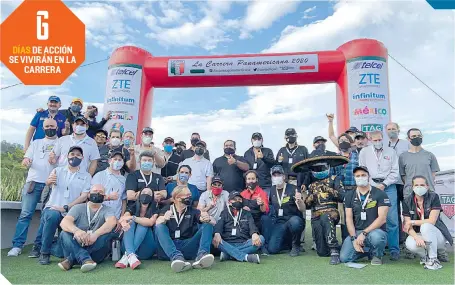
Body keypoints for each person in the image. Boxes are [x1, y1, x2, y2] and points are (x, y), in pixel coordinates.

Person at [30, 146, 91, 264]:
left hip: (71, 211)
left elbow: (84, 196)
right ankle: (44, 253)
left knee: (62, 253)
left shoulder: (86, 176)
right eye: (72, 154)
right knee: (53, 216)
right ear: (67, 156)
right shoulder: (57, 170)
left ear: (82, 158)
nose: (75, 156)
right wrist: (48, 182)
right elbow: (48, 183)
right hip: (53, 207)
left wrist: (67, 207)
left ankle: (52, 245)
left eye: (78, 155)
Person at [8, 119, 59, 257]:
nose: (50, 128)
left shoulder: (61, 143)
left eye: (52, 126)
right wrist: (26, 161)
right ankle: (17, 245)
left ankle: (38, 247)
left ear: (57, 127)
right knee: (25, 214)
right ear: (43, 128)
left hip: (52, 185)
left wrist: (55, 161)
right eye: (47, 126)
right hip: (33, 183)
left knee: (46, 217)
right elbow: (26, 160)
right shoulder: (36, 143)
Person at [293, 151, 347, 264]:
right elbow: (307, 206)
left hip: (331, 212)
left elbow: (343, 196)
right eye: (316, 169)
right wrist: (306, 198)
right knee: (321, 252)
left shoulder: (335, 179)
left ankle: (334, 251)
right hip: (316, 214)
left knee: (325, 217)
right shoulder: (312, 185)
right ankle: (336, 248)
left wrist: (330, 190)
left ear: (327, 167)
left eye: (321, 168)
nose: (319, 171)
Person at [359, 130, 400, 260]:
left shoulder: (391, 152)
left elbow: (395, 172)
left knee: (392, 219)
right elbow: (363, 170)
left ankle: (394, 249)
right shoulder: (364, 152)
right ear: (370, 140)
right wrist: (372, 185)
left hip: (389, 187)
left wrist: (384, 184)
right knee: (371, 216)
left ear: (383, 138)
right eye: (375, 140)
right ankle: (372, 249)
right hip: (370, 186)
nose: (378, 142)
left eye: (379, 139)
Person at [155, 186, 216, 273]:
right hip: (169, 248)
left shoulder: (192, 211)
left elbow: (211, 221)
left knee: (208, 225)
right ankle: (176, 257)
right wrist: (164, 218)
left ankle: (202, 255)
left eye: (190, 195)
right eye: (187, 195)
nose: (190, 198)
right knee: (160, 226)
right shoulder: (166, 209)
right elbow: (157, 223)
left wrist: (207, 218)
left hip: (187, 245)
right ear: (177, 198)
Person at [57, 184, 117, 272]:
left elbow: (111, 222)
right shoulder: (78, 207)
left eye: (101, 192)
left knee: (107, 234)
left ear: (104, 196)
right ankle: (86, 259)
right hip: (77, 243)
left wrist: (96, 234)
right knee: (64, 233)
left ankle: (71, 260)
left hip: (95, 250)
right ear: (89, 194)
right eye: (95, 191)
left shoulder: (108, 209)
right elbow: (64, 222)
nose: (97, 194)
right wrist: (76, 231)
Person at [340, 166, 390, 265]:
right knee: (344, 258)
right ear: (354, 178)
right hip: (357, 232)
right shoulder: (350, 195)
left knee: (377, 237)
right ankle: (367, 252)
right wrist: (354, 239)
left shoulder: (380, 194)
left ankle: (377, 255)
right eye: (357, 176)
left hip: (374, 231)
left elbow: (382, 219)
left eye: (363, 175)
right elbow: (349, 219)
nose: (360, 177)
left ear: (368, 177)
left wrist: (364, 233)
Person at [403, 176, 452, 270]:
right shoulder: (407, 201)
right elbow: (407, 226)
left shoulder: (434, 197)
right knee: (410, 244)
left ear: (427, 186)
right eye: (416, 185)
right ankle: (424, 256)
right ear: (412, 187)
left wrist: (412, 222)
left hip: (437, 235)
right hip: (419, 234)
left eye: (422, 185)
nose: (419, 187)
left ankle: (434, 259)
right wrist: (417, 237)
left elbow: (432, 221)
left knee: (426, 226)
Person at [265, 165, 305, 257]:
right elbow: (270, 206)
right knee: (272, 249)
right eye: (274, 175)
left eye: (278, 174)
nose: (276, 177)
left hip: (293, 219)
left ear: (283, 176)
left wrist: (299, 201)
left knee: (295, 222)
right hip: (280, 222)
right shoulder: (271, 190)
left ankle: (296, 245)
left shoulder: (294, 188)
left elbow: (302, 209)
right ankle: (287, 244)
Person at [212, 191, 264, 263]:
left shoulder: (247, 213)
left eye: (239, 199)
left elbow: (252, 226)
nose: (237, 201)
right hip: (227, 242)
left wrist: (254, 233)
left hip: (243, 242)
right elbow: (219, 225)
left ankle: (229, 255)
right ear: (229, 202)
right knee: (215, 239)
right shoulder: (224, 213)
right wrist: (217, 233)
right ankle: (246, 257)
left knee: (261, 239)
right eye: (235, 199)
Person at [115, 188, 158, 269]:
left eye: (149, 193)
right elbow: (124, 218)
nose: (146, 194)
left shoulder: (155, 208)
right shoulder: (133, 206)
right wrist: (124, 223)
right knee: (130, 222)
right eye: (144, 192)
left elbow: (150, 222)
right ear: (139, 194)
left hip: (146, 250)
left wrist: (133, 218)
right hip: (127, 246)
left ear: (152, 197)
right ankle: (131, 255)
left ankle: (127, 256)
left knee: (143, 224)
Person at [330, 133, 359, 241]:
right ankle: (346, 241)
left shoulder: (357, 156)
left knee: (357, 215)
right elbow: (332, 175)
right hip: (341, 191)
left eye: (345, 140)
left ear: (350, 142)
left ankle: (359, 241)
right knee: (344, 218)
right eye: (341, 140)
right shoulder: (335, 158)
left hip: (355, 189)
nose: (343, 142)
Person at [386, 122, 410, 246]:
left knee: (407, 211)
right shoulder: (384, 145)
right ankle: (399, 240)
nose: (391, 131)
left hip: (404, 183)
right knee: (393, 214)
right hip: (391, 184)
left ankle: (410, 239)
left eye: (393, 129)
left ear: (398, 130)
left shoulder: (406, 144)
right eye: (389, 129)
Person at [399, 128, 440, 197]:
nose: (416, 138)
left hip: (428, 193)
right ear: (408, 138)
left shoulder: (430, 155)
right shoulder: (403, 157)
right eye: (413, 136)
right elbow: (403, 176)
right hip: (410, 194)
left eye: (419, 136)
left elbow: (433, 175)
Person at [91, 152, 127, 220]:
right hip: (99, 216)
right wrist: (108, 197)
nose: (117, 161)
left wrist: (121, 217)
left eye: (120, 160)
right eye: (115, 159)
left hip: (116, 217)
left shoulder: (124, 179)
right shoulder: (99, 175)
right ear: (109, 161)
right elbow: (91, 196)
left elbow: (123, 200)